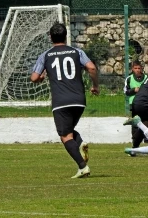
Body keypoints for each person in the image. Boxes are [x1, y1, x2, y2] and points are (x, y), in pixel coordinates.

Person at [30, 23, 99, 178]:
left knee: (65, 136)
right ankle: (80, 143)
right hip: (79, 100)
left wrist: (41, 77)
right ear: (66, 36)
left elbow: (34, 77)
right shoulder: (77, 51)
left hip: (61, 101)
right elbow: (92, 68)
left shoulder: (46, 55)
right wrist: (95, 86)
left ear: (50, 37)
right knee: (68, 131)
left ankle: (83, 167)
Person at [123, 60, 148, 149]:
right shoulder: (129, 79)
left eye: (139, 68)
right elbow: (126, 92)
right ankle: (135, 139)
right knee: (135, 122)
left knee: (146, 120)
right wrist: (134, 90)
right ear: (132, 69)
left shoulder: (147, 78)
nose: (137, 70)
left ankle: (147, 138)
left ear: (141, 68)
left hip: (146, 103)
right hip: (134, 104)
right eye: (135, 68)